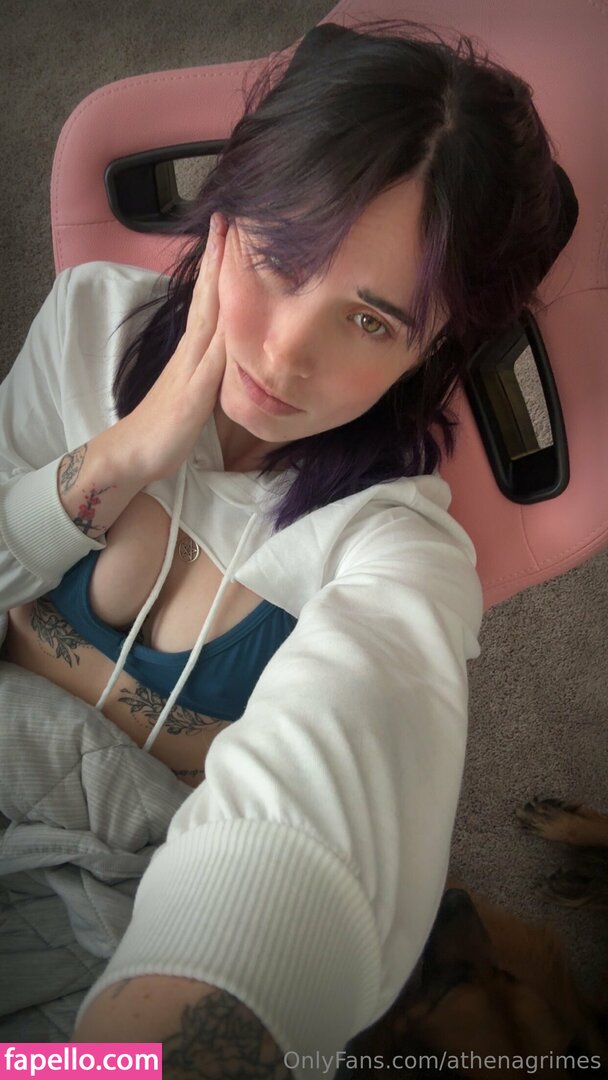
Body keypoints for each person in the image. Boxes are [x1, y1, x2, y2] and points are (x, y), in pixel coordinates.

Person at [0, 18, 573, 1080]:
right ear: (223, 215)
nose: (282, 351)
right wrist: (120, 456)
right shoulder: (86, 324)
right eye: (279, 257)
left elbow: (315, 839)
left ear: (431, 347)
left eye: (370, 322)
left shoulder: (393, 551)